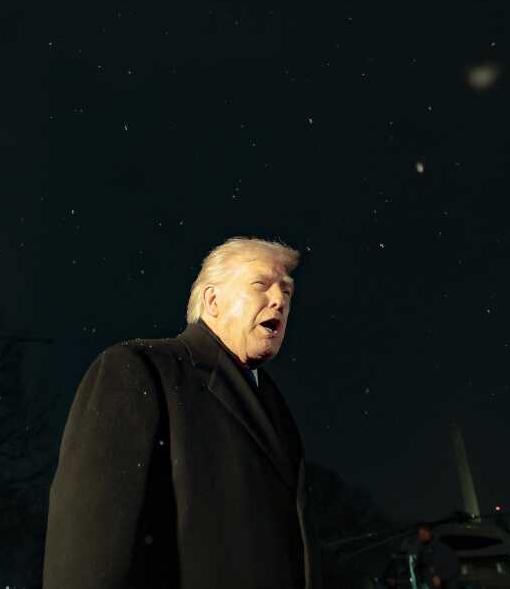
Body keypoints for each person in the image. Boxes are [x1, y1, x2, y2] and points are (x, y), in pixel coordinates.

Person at [43, 237, 320, 589]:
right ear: (213, 301)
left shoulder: (277, 407)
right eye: (261, 285)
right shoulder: (136, 369)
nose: (279, 300)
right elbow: (89, 545)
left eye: (287, 292)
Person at [414, 523, 459, 589]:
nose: (421, 535)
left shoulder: (441, 548)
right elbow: (423, 566)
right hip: (430, 585)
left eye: (424, 532)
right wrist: (417, 566)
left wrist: (441, 577)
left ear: (429, 533)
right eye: (420, 533)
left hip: (444, 585)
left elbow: (454, 566)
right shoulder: (423, 549)